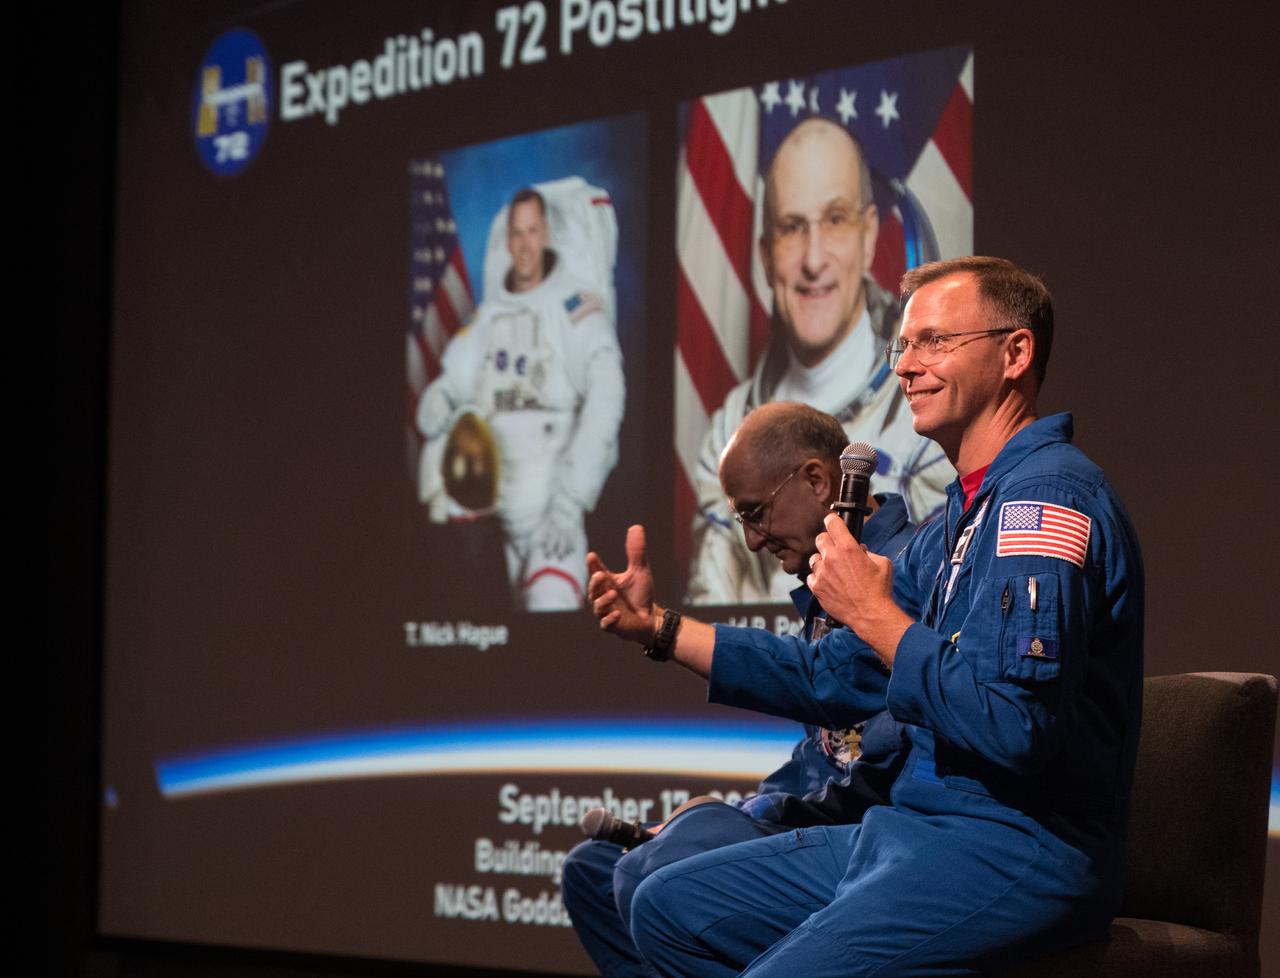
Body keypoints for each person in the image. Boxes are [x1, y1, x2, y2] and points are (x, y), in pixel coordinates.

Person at [590, 257, 1144, 977]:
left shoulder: (1045, 504)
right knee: (666, 903)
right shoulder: (959, 517)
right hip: (916, 830)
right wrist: (661, 629)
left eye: (935, 342)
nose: (908, 368)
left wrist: (878, 616)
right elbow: (831, 677)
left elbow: (1014, 726)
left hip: (1018, 848)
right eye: (903, 347)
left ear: (1016, 353)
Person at [563, 402, 914, 978]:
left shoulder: (899, 572)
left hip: (868, 833)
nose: (751, 541)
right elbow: (826, 749)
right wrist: (732, 811)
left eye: (756, 513)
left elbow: (879, 766)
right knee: (591, 870)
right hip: (816, 818)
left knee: (642, 873)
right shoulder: (825, 587)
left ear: (819, 480)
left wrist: (755, 817)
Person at [686, 118, 953, 606]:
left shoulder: (928, 419)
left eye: (834, 220)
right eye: (791, 228)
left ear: (869, 234)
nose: (813, 259)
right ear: (766, 256)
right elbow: (718, 596)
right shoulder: (727, 431)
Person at [416, 188, 625, 611]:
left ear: (546, 234)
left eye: (533, 231)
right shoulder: (490, 315)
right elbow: (450, 382)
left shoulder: (574, 307)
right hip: (491, 520)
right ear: (507, 241)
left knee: (547, 609)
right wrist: (439, 399)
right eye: (517, 233)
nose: (525, 244)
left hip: (552, 517)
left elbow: (608, 392)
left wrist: (571, 500)